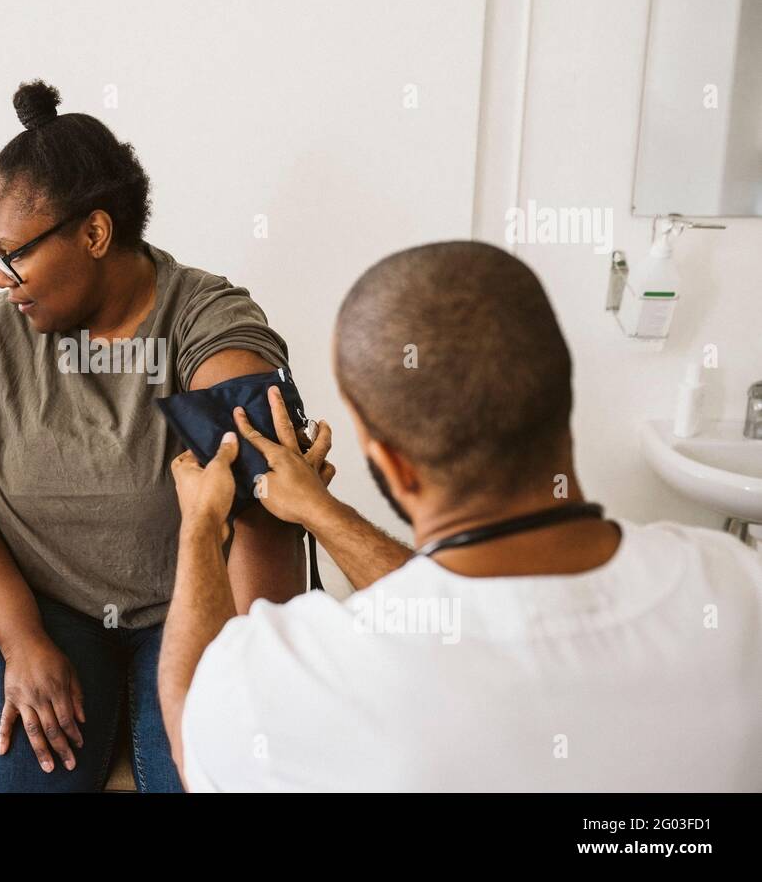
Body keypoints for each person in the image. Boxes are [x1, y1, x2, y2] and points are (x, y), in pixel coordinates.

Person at [162, 240, 762, 791]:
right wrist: (322, 513)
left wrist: (200, 526)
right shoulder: (737, 585)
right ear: (564, 396)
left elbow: (195, 729)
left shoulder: (318, 675)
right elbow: (469, 610)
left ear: (391, 463)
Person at [0, 79, 307, 792]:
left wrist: (250, 683)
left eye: (17, 254)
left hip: (186, 606)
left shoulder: (206, 318)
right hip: (39, 601)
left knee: (218, 776)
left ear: (95, 234)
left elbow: (263, 503)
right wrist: (21, 641)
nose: (4, 279)